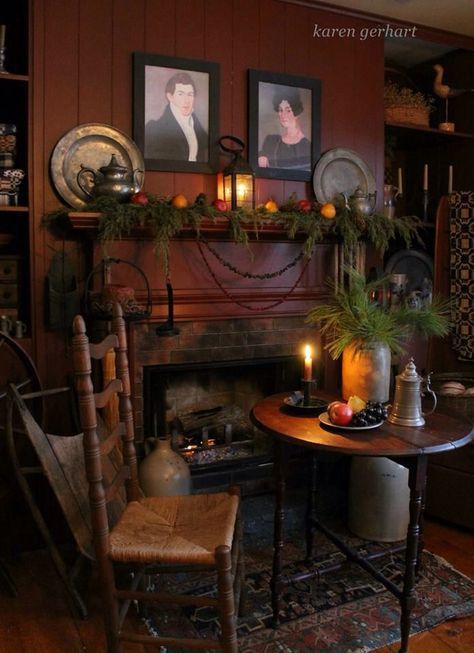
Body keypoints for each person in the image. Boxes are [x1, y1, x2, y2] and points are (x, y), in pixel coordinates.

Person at [145, 71, 208, 162]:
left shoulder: (198, 129)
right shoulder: (154, 128)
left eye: (190, 94)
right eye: (181, 94)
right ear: (170, 97)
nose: (186, 100)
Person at [258, 87, 311, 171]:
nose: (283, 115)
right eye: (280, 110)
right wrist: (260, 156)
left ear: (297, 112)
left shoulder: (307, 146)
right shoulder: (271, 141)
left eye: (288, 110)